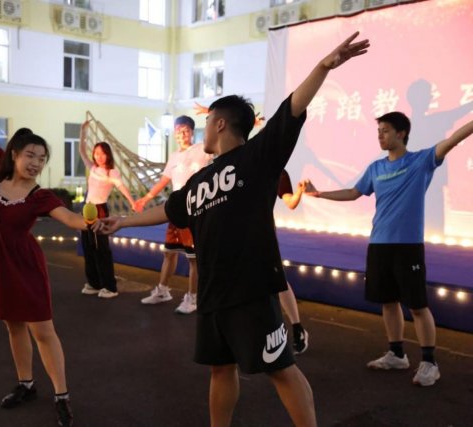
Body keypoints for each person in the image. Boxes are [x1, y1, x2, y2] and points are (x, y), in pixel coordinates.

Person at [100, 32, 369, 427]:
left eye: (207, 122)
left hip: (252, 290)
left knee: (280, 369)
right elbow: (169, 210)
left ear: (221, 123)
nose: (203, 130)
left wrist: (323, 66)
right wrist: (123, 220)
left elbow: (291, 109)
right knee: (220, 370)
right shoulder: (200, 180)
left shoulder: (257, 156)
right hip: (213, 293)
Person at [303, 110, 473, 387]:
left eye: (385, 131)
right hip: (379, 244)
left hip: (408, 247)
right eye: (378, 131)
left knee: (417, 305)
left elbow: (453, 139)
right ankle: (397, 354)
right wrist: (318, 193)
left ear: (401, 133)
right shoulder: (376, 168)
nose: (380, 136)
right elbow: (353, 193)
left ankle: (429, 363)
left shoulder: (421, 161)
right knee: (389, 302)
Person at [0, 81, 96, 427]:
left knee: (42, 331)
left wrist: (91, 223)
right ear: (14, 154)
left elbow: (69, 217)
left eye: (42, 159)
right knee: (13, 325)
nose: (36, 163)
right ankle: (26, 384)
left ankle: (62, 396)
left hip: (24, 265)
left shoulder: (40, 196)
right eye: (31, 156)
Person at [133, 116, 211, 315]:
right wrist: (145, 199)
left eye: (185, 130)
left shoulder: (201, 149)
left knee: (193, 257)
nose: (181, 135)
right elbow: (164, 180)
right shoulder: (174, 156)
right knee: (169, 252)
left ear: (192, 132)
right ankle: (162, 291)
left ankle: (193, 297)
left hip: (194, 208)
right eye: (178, 131)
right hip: (176, 208)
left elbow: (221, 145)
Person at [78, 121, 138, 299]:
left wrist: (133, 202)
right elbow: (81, 151)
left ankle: (110, 286)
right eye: (96, 153)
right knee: (88, 247)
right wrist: (82, 132)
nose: (99, 156)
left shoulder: (112, 173)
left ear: (108, 155)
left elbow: (122, 187)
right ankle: (94, 283)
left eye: (102, 153)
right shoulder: (93, 168)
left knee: (101, 248)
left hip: (100, 210)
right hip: (87, 209)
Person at [277, 170, 309, 354]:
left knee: (278, 281)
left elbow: (290, 202)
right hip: (236, 234)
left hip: (262, 233)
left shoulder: (277, 171)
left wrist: (298, 192)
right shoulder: (236, 166)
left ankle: (297, 328)